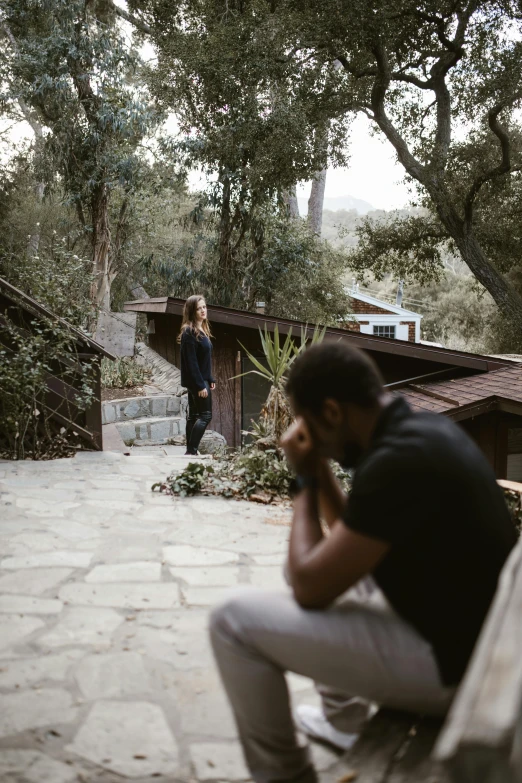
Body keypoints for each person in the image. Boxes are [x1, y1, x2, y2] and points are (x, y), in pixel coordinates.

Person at [209, 341, 517, 783]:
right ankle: (345, 724)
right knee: (336, 576)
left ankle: (285, 776)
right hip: (469, 638)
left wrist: (302, 479)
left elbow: (309, 587)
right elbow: (347, 534)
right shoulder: (421, 430)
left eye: (313, 429)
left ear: (332, 412)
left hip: (459, 673)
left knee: (231, 621)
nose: (317, 444)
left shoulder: (400, 461)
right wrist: (320, 471)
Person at [179, 295, 216, 456]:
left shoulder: (201, 330)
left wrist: (210, 378)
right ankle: (192, 451)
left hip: (201, 379)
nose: (202, 310)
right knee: (206, 416)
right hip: (197, 382)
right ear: (192, 311)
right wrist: (201, 385)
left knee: (193, 416)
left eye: (204, 307)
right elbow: (191, 363)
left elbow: (203, 360)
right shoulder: (189, 332)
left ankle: (190, 450)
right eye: (198, 308)